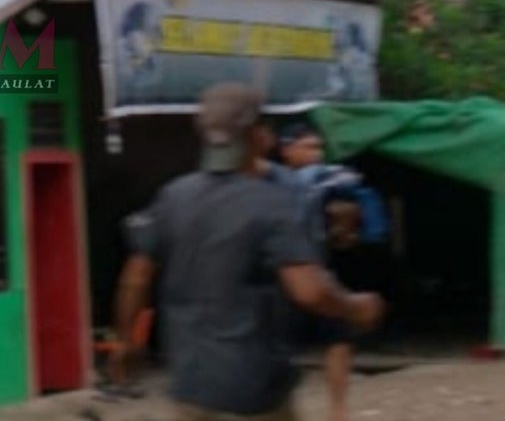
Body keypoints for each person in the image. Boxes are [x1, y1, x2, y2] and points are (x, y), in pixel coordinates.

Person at [111, 83, 384, 421]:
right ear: (257, 136)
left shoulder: (174, 196)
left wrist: (126, 340)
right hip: (255, 393)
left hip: (191, 388)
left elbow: (136, 277)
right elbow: (310, 291)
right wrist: (356, 307)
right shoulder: (272, 203)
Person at [275, 124, 392, 421]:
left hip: (316, 269)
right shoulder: (277, 180)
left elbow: (353, 196)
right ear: (287, 149)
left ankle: (338, 410)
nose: (317, 153)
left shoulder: (321, 178)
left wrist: (350, 228)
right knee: (276, 346)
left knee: (338, 336)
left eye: (319, 147)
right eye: (309, 147)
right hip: (281, 275)